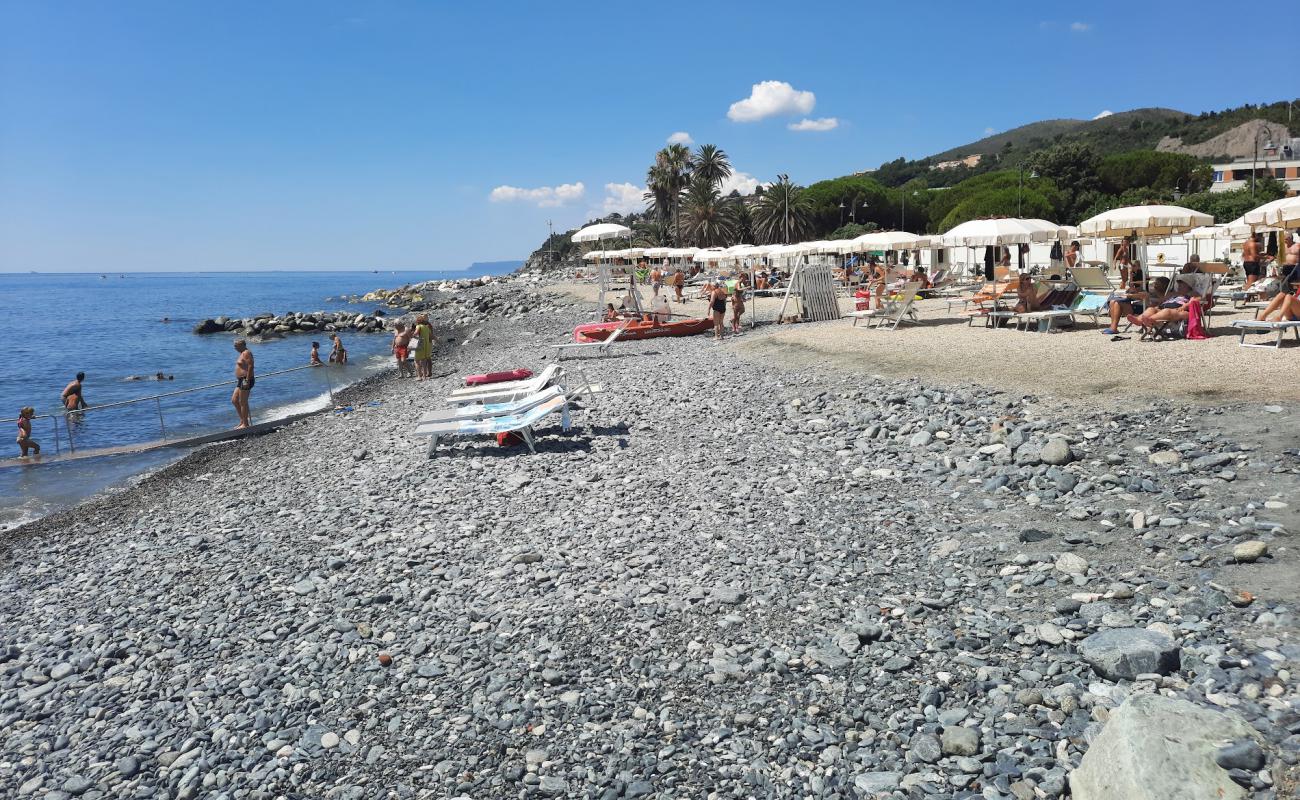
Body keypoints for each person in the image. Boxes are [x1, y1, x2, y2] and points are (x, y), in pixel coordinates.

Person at [1103, 276, 1170, 335]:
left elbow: (1156, 304)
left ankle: (1113, 328)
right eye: (1155, 283)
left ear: (1164, 285)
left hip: (1145, 310)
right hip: (1140, 307)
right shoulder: (1153, 292)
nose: (1155, 284)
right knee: (1113, 301)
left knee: (1116, 303)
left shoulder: (1166, 295)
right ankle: (1113, 327)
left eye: (1157, 283)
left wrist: (1145, 298)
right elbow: (1142, 295)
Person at [1126, 277, 1195, 330]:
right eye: (1179, 286)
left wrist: (1185, 306)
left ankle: (1150, 320)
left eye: (1182, 286)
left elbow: (1196, 301)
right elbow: (1161, 300)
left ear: (1188, 287)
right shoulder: (1174, 294)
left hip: (1179, 310)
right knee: (1151, 309)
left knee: (1167, 311)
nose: (1179, 287)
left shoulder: (1191, 295)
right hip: (1164, 308)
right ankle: (1139, 320)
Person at [231, 339, 254, 429]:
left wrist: (247, 380)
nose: (235, 347)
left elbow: (251, 366)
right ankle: (243, 420)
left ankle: (245, 424)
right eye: (234, 346)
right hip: (241, 380)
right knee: (234, 400)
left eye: (236, 345)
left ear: (242, 345)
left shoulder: (246, 352)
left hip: (246, 379)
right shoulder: (242, 353)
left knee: (243, 402)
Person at [413, 314, 434, 380]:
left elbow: (416, 333)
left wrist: (412, 335)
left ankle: (419, 376)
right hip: (426, 344)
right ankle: (425, 376)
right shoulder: (427, 327)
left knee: (417, 360)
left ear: (417, 321)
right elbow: (431, 335)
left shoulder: (419, 326)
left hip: (420, 344)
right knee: (424, 360)